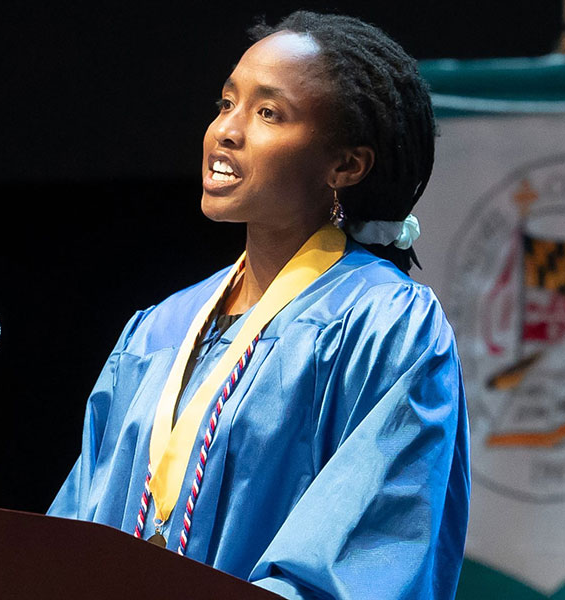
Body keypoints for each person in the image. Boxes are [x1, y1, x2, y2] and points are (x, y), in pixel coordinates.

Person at [48, 11, 469, 599]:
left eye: (268, 112)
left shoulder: (384, 324)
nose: (227, 130)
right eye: (226, 103)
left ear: (345, 165)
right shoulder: (158, 331)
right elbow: (73, 536)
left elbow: (365, 556)